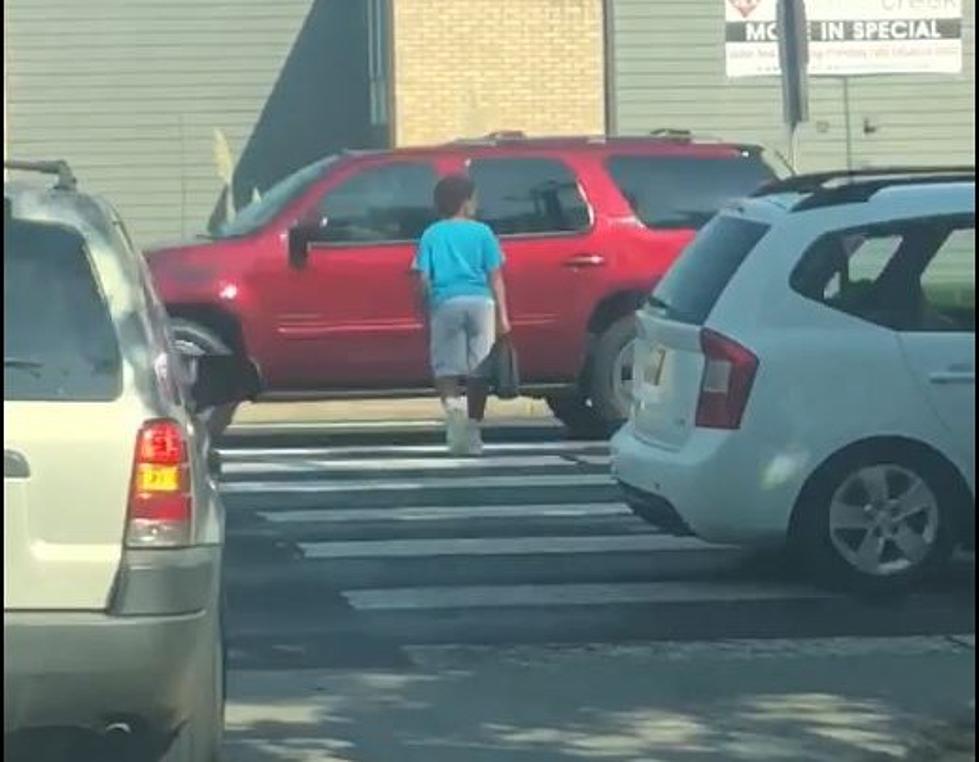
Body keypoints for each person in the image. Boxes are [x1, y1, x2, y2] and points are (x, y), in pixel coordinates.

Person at [412, 173, 511, 456]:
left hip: (446, 302)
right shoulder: (483, 233)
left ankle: (454, 413)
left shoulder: (431, 234)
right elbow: (496, 277)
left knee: (445, 368)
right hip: (481, 303)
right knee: (479, 369)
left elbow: (422, 279)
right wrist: (503, 316)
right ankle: (474, 428)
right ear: (466, 202)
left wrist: (423, 308)